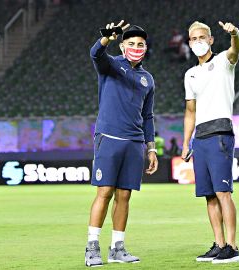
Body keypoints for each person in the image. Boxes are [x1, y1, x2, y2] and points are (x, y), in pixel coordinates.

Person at [85, 20, 158, 267]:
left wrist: (151, 148)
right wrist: (106, 39)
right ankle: (92, 248)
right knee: (104, 192)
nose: (136, 47)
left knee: (124, 196)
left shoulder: (148, 79)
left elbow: (147, 116)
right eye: (131, 43)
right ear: (123, 45)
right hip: (109, 138)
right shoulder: (111, 65)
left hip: (135, 142)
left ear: (145, 48)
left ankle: (117, 248)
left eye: (141, 44)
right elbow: (96, 54)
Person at [182, 21, 239, 264]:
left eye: (202, 37)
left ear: (210, 40)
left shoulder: (222, 62)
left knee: (222, 192)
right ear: (188, 42)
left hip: (220, 132)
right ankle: (218, 244)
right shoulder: (190, 74)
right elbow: (190, 112)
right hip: (201, 137)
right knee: (208, 195)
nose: (197, 41)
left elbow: (236, 50)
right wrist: (187, 142)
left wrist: (235, 34)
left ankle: (232, 246)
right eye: (193, 38)